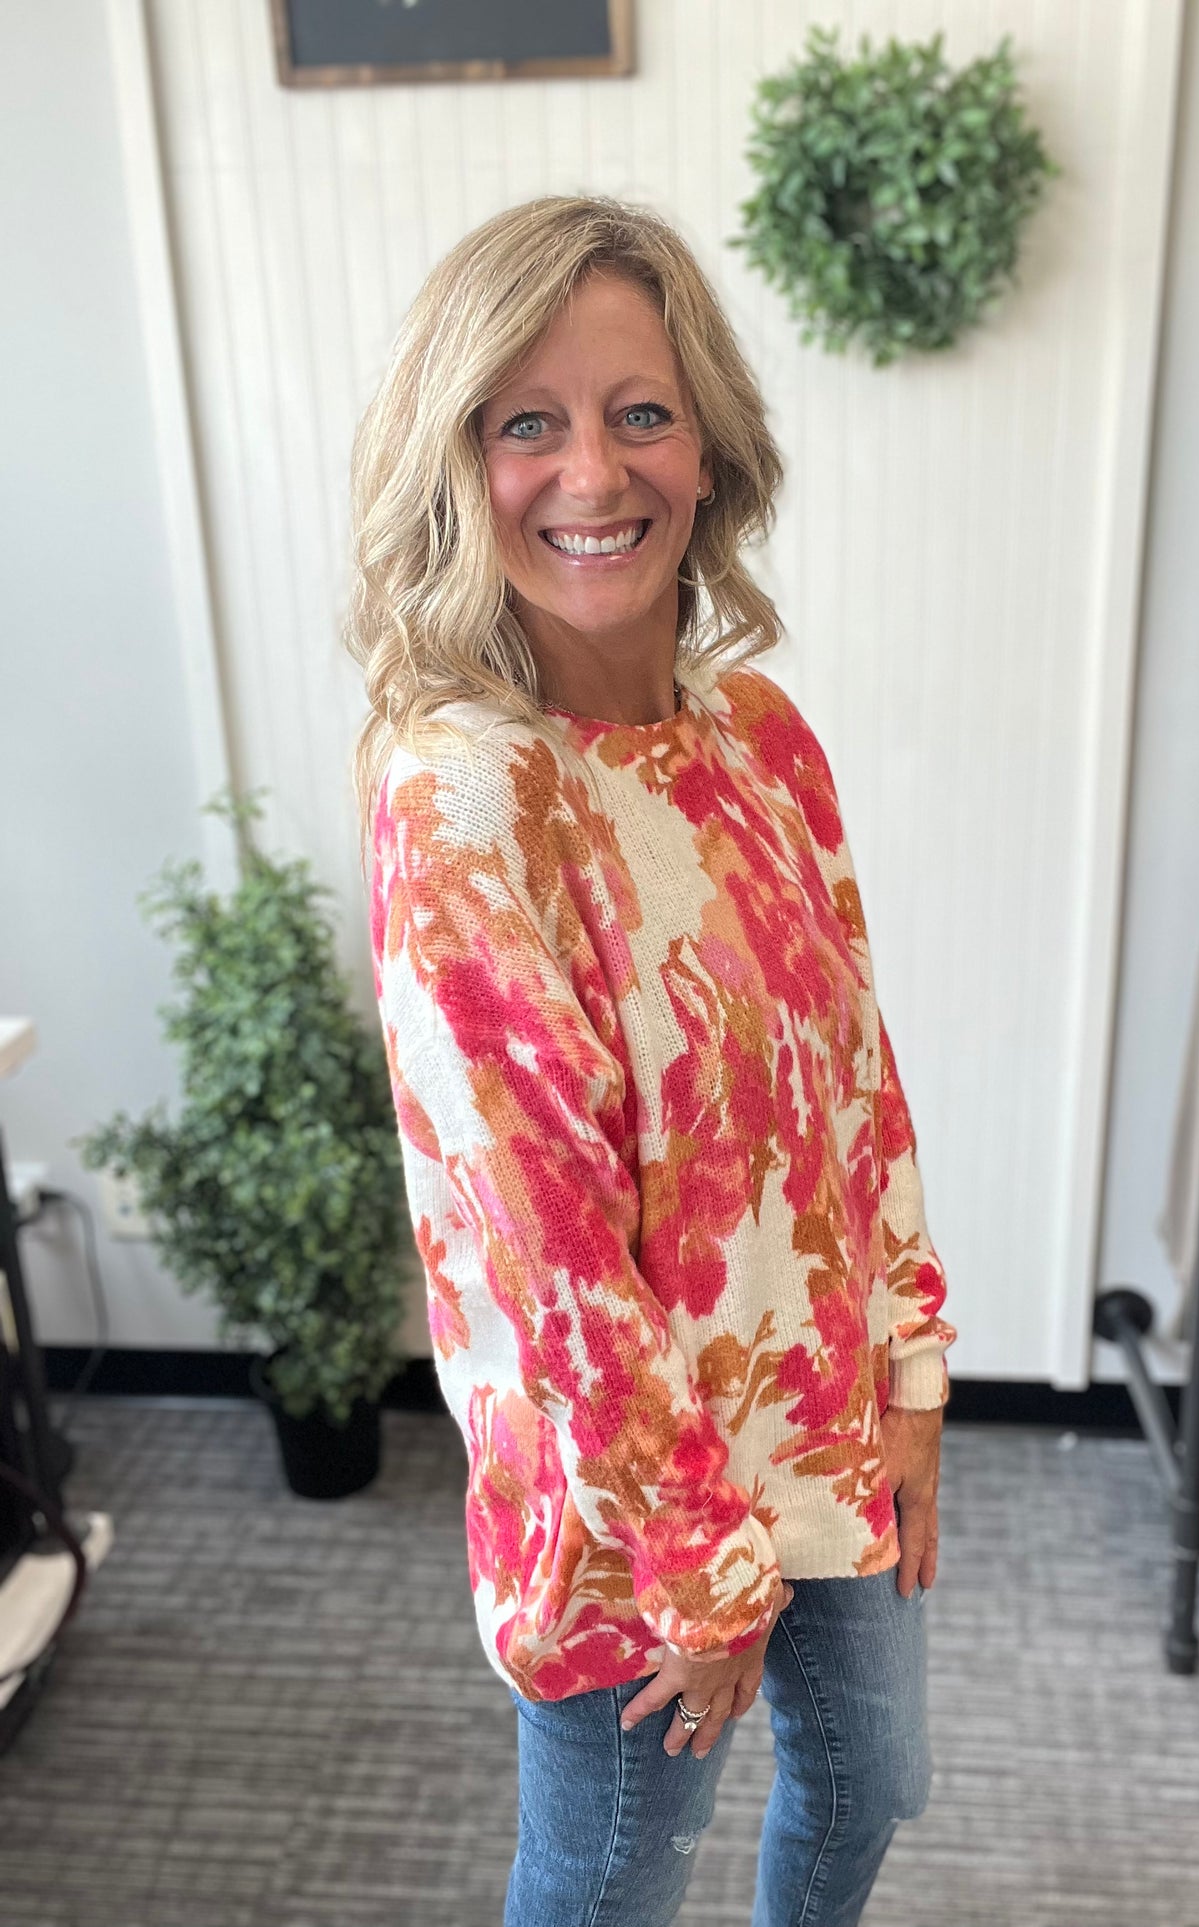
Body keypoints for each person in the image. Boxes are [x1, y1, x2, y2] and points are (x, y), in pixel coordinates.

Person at [347, 195, 956, 1927]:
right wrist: (699, 1573)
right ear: (455, 462)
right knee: (614, 1878)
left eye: (639, 413)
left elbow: (852, 1072)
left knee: (874, 1782)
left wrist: (911, 1367)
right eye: (524, 422)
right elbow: (550, 1260)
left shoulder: (758, 736)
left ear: (709, 451)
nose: (591, 473)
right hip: (624, 1495)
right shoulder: (466, 795)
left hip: (815, 1405)